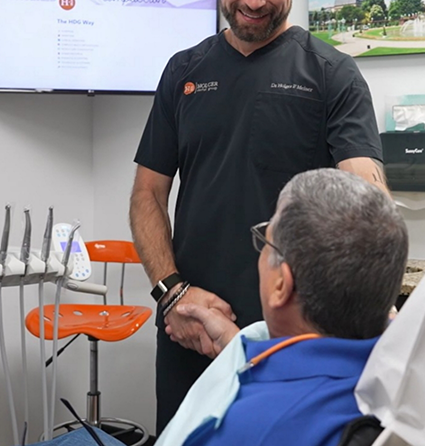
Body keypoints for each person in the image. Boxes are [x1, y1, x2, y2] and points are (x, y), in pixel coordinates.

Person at [129, 0, 387, 432]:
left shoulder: (332, 75)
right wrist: (171, 293)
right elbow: (147, 196)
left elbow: (368, 204)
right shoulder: (184, 72)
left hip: (295, 341)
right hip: (188, 326)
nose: (253, 0)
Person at [156, 168, 408, 446]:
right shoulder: (408, 371)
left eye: (266, 240)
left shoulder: (245, 429)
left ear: (281, 285)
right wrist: (232, 344)